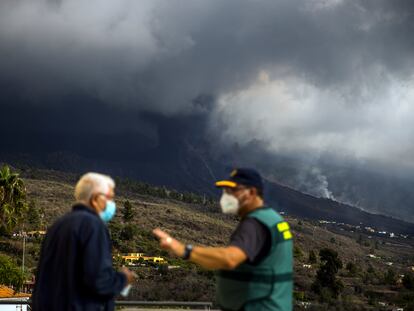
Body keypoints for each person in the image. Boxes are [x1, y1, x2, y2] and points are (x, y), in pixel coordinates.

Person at [153, 168, 293, 311]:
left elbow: (229, 259)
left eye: (233, 191)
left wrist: (183, 250)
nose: (226, 196)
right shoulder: (274, 220)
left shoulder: (254, 224)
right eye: (225, 191)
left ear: (251, 192)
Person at [32, 172, 136, 311]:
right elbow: (98, 281)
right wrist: (123, 279)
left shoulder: (57, 226)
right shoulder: (93, 225)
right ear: (95, 199)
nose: (112, 204)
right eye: (110, 198)